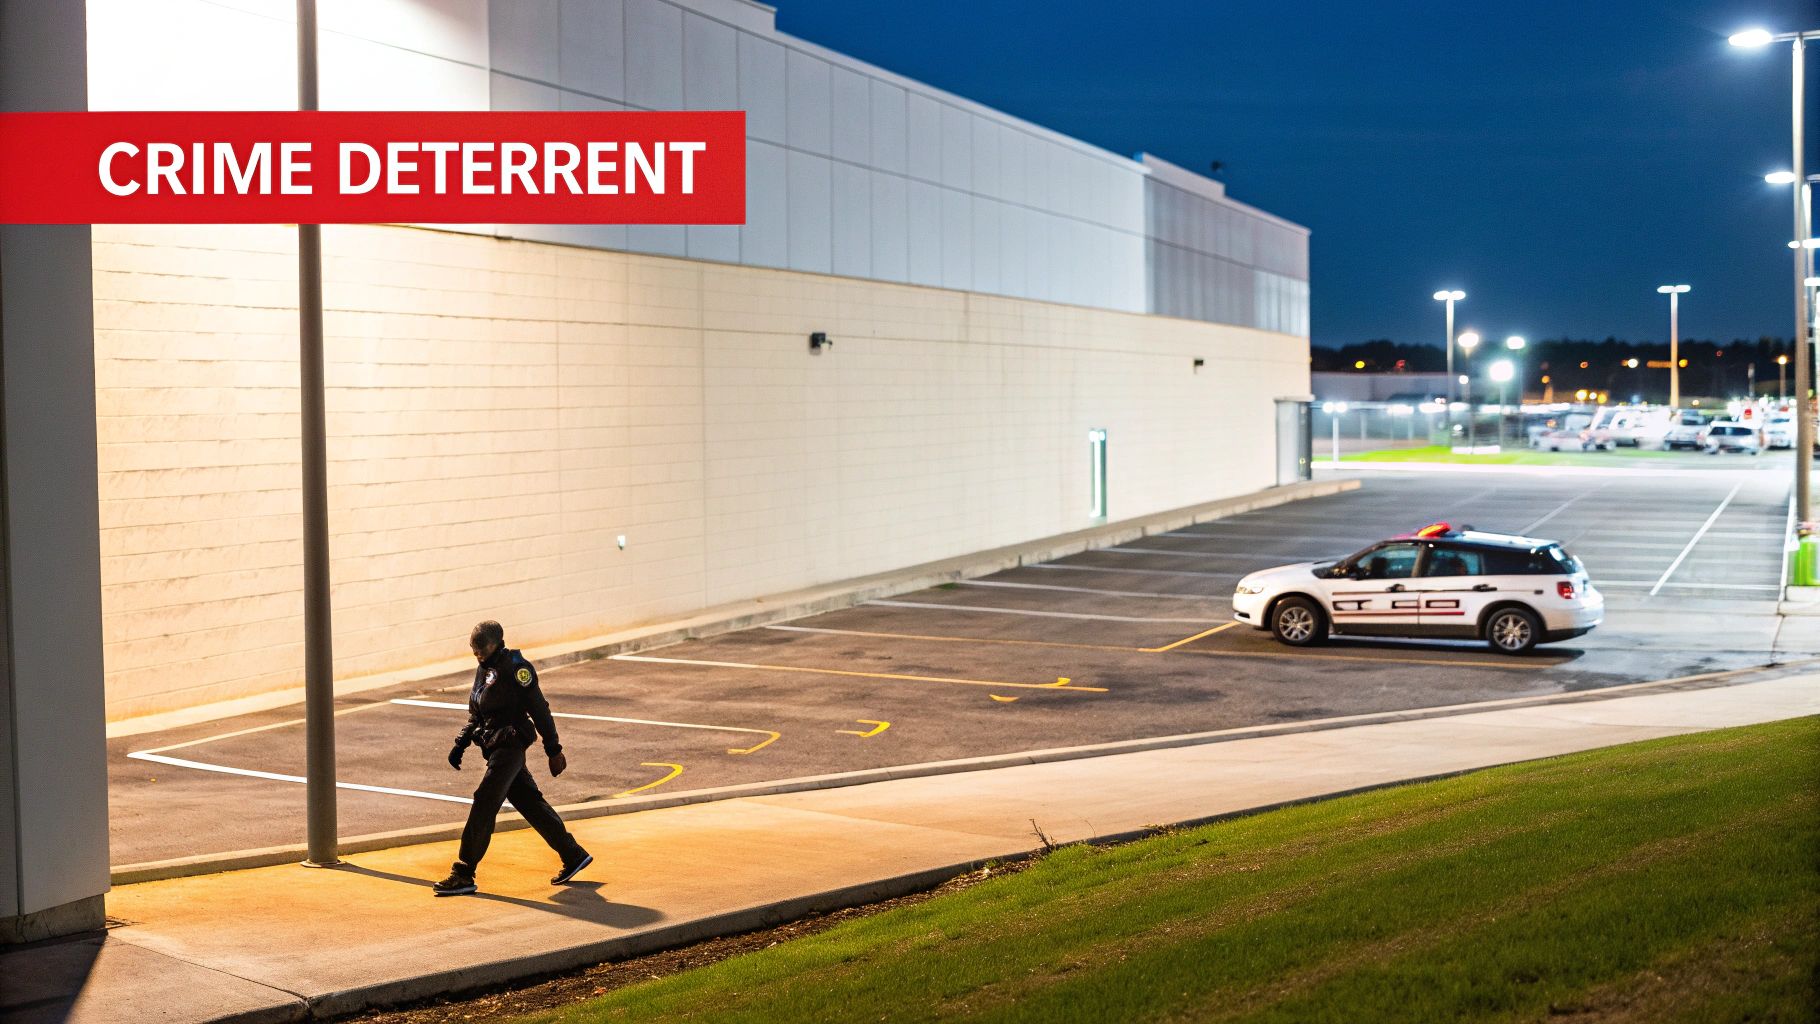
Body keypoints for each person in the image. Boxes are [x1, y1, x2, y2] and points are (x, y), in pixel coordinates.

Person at [433, 620, 592, 896]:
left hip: (511, 745)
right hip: (494, 745)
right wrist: (461, 742)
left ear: (497, 642)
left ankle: (463, 872)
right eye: (473, 649)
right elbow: (477, 711)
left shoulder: (517, 669)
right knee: (530, 802)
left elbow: (540, 710)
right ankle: (572, 854)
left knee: (485, 800)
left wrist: (554, 750)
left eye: (481, 648)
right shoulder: (485, 669)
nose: (477, 653)